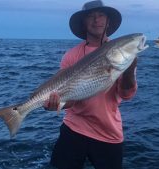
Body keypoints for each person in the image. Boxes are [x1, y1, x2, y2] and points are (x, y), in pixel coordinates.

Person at [44, 1, 138, 169]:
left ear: (108, 21)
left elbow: (126, 95)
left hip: (107, 132)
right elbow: (71, 100)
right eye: (91, 16)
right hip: (73, 127)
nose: (97, 20)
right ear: (84, 23)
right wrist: (56, 103)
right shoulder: (71, 55)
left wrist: (130, 70)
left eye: (101, 15)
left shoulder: (121, 51)